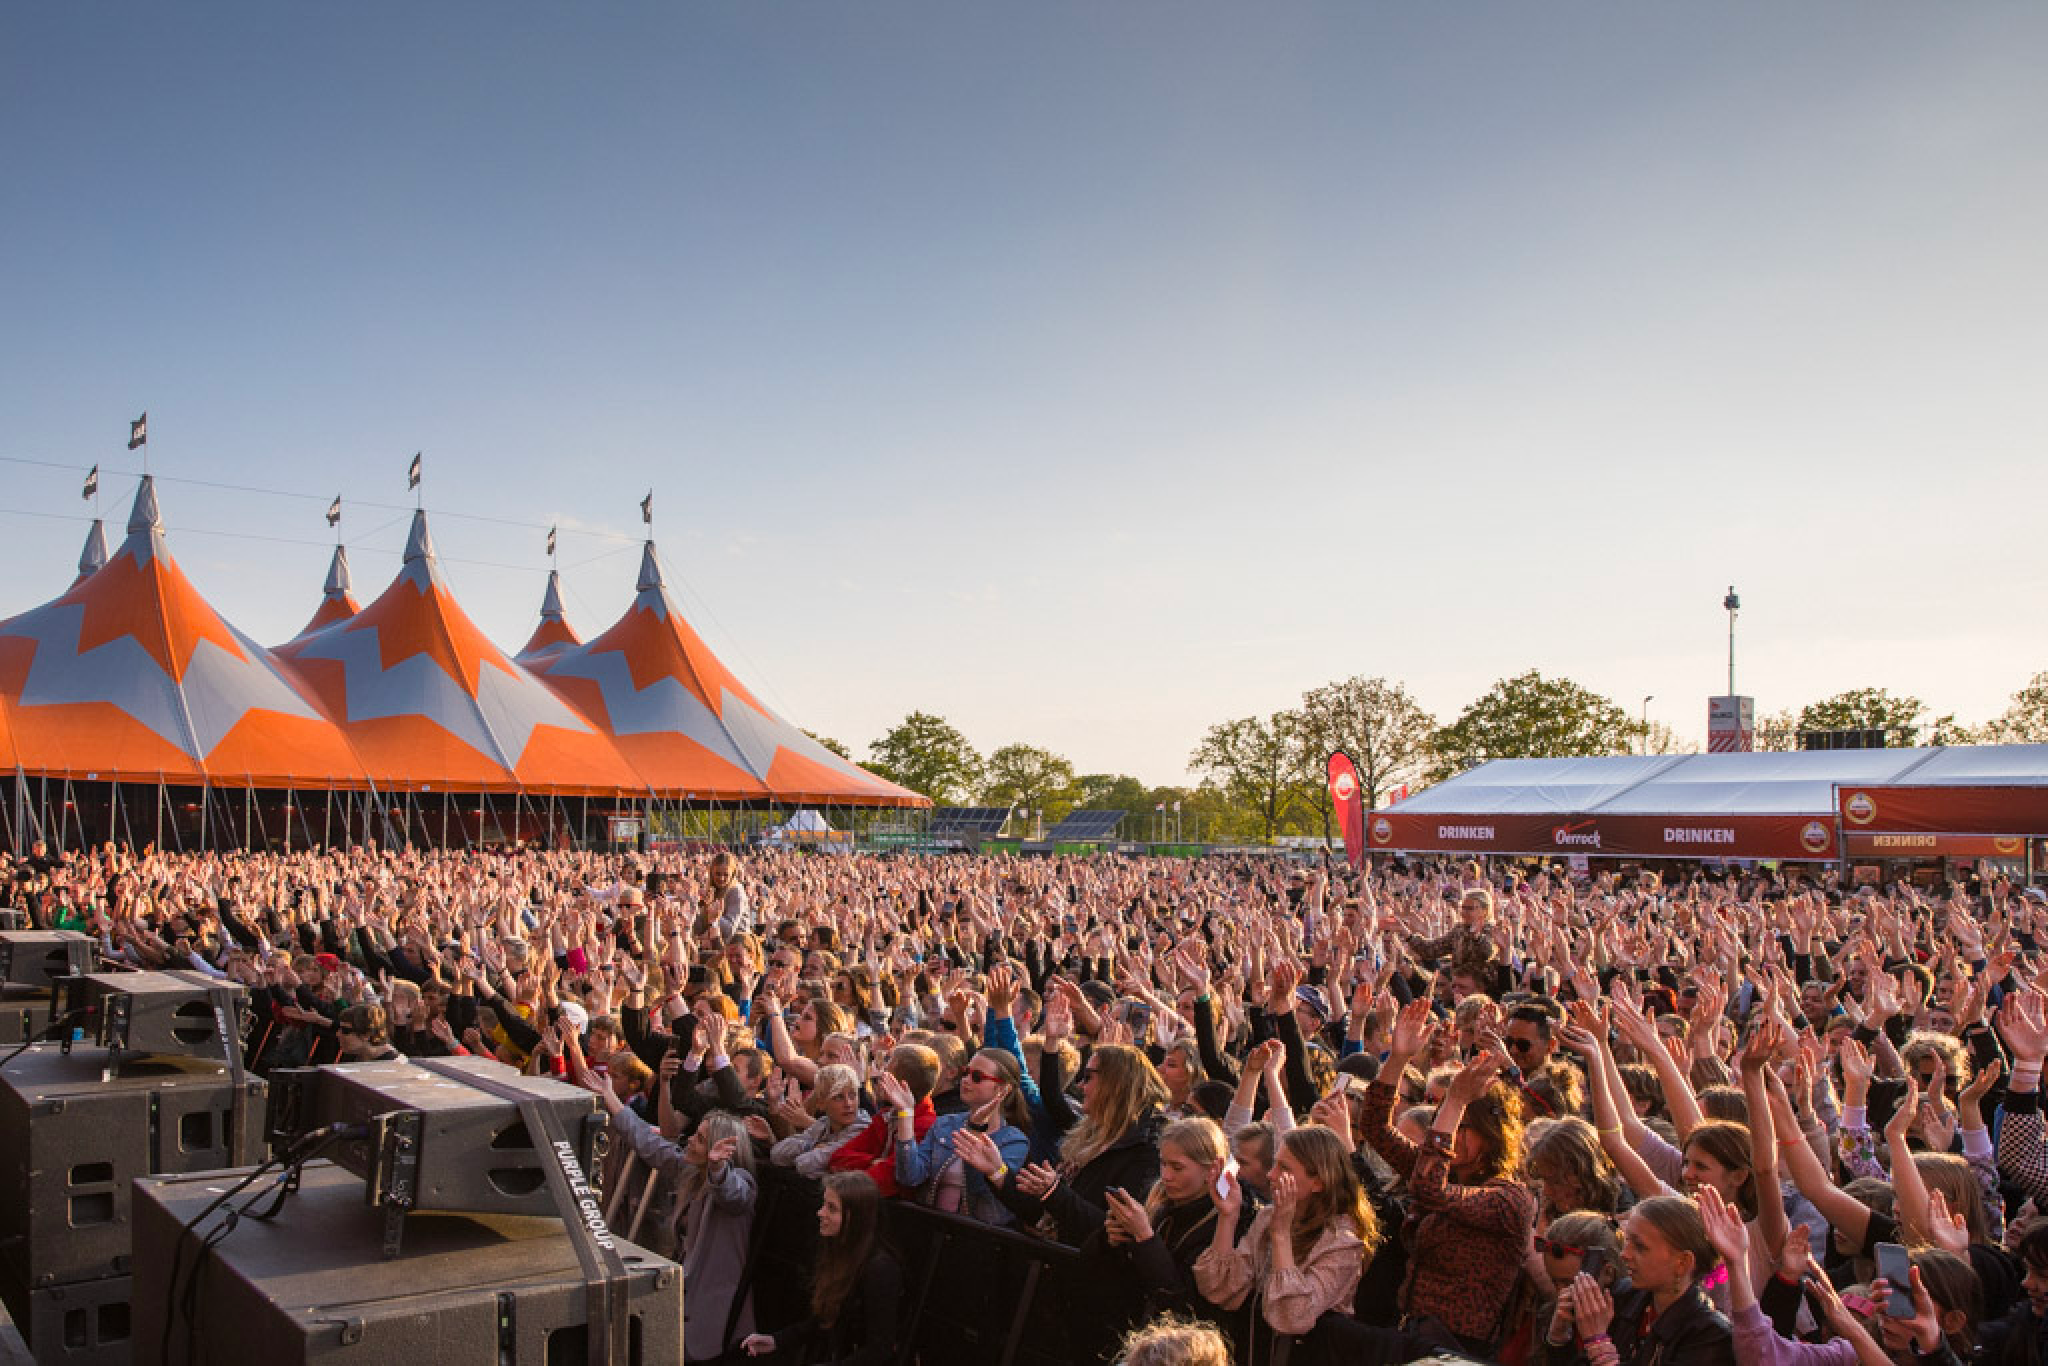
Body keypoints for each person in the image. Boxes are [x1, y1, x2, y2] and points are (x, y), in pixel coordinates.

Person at [1195, 1124, 1381, 1363]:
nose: (1271, 1175)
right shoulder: (1267, 1217)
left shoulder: (1342, 1243)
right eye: (1274, 1163)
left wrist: (1281, 1235)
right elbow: (1219, 1289)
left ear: (1318, 1182)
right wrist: (1228, 1217)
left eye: (1284, 1167)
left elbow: (1292, 1318)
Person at [1542, 1194, 1734, 1366]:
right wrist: (1559, 1338)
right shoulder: (1622, 1299)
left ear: (1682, 1262)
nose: (1624, 1254)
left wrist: (1597, 1343)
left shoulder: (1709, 1335)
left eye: (1640, 1247)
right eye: (1627, 1242)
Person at [739, 1171, 901, 1365]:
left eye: (831, 1208)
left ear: (855, 1218)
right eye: (824, 1204)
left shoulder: (880, 1269)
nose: (820, 1212)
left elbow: (879, 1350)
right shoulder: (837, 1250)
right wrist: (777, 1341)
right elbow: (825, 1320)